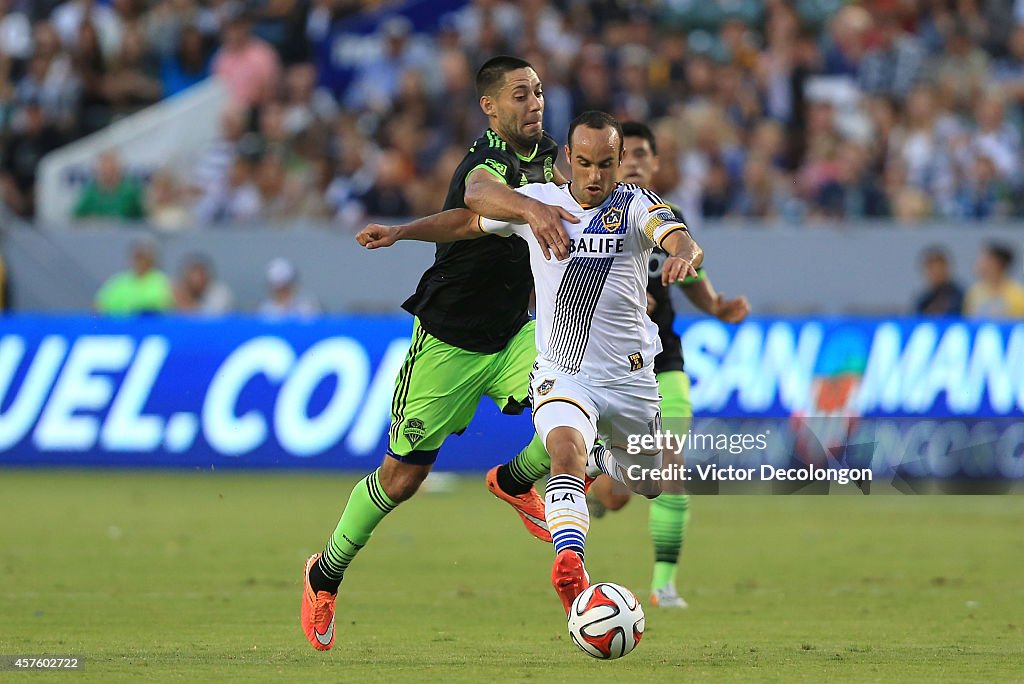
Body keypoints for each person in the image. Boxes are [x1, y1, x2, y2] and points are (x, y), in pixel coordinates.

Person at [357, 111, 705, 615]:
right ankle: (570, 566)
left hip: (631, 379)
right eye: (583, 163)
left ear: (619, 161)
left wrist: (683, 255)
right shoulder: (540, 204)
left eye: (606, 164)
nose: (593, 176)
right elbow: (467, 220)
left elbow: (679, 237)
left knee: (645, 485)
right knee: (564, 453)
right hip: (564, 372)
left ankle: (586, 462)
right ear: (568, 158)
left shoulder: (638, 206)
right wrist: (401, 231)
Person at [299, 55, 575, 651]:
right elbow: (474, 204)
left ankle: (514, 478)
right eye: (521, 94)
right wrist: (523, 208)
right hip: (448, 340)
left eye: (539, 92)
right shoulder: (485, 163)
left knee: (573, 417)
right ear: (490, 106)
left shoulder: (551, 156)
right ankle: (325, 573)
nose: (535, 103)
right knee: (402, 480)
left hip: (515, 333)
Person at [582, 121, 750, 609]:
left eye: (642, 154)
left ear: (655, 165)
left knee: (671, 466)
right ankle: (601, 490)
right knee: (620, 491)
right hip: (603, 366)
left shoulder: (665, 216)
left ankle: (663, 585)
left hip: (663, 361)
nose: (633, 161)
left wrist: (716, 305)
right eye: (625, 153)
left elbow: (689, 266)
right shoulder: (584, 213)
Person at [94, 239, 173, 315]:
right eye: (138, 257)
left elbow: (168, 308)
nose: (141, 262)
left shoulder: (162, 282)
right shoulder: (119, 281)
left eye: (144, 258)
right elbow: (99, 305)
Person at [72, 150, 146, 221]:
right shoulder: (90, 192)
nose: (108, 169)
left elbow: (144, 216)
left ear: (118, 167)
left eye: (111, 165)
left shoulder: (131, 190)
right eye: (104, 166)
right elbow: (75, 218)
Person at [963, 242, 1024, 319]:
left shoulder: (1018, 294)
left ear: (998, 264)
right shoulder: (974, 291)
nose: (979, 263)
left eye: (985, 259)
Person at [913, 247, 964, 316]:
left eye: (939, 270)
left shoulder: (959, 297)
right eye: (932, 271)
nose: (936, 274)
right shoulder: (923, 301)